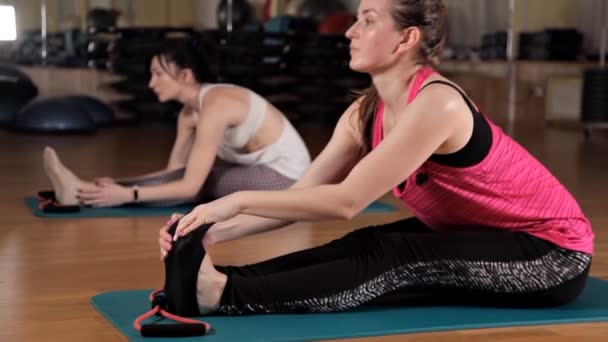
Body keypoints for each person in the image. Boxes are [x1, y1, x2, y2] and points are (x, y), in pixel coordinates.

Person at [159, 0, 594, 315]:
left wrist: (234, 200)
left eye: (367, 21)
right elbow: (304, 196)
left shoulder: (437, 103)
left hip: (551, 255)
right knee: (366, 245)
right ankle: (225, 280)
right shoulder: (365, 112)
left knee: (399, 255)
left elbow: (344, 202)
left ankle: (224, 296)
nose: (350, 31)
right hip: (488, 234)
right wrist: (212, 233)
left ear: (407, 37)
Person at [42, 39, 310, 207]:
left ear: (185, 75)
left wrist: (129, 194)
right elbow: (175, 171)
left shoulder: (217, 104)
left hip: (290, 181)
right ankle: (85, 190)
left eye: (158, 74)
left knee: (207, 182)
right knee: (191, 178)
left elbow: (190, 186)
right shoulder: (188, 114)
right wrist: (121, 183)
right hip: (261, 171)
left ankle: (81, 193)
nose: (151, 83)